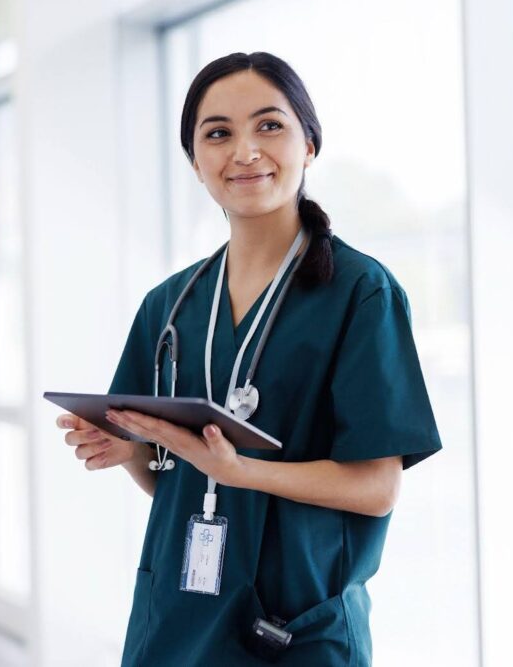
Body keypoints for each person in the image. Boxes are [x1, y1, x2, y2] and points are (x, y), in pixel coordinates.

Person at [56, 51, 442, 666]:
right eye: (218, 134)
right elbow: (182, 485)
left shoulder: (360, 293)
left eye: (269, 125)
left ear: (309, 144)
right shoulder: (170, 306)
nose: (244, 151)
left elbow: (377, 487)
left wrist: (244, 471)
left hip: (296, 633)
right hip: (177, 626)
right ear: (195, 161)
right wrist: (131, 453)